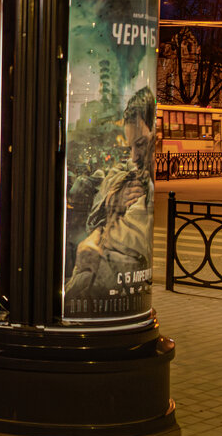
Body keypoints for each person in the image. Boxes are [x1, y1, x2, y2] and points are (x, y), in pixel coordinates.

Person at [65, 86, 155, 308]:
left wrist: (95, 237)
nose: (134, 157)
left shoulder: (144, 187)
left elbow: (130, 246)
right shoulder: (130, 172)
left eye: (141, 145)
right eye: (131, 147)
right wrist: (110, 201)